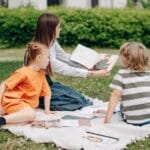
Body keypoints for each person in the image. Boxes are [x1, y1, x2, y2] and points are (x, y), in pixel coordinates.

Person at [29, 13, 110, 111]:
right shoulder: (41, 50)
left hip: (47, 83)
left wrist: (88, 65)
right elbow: (64, 69)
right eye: (58, 27)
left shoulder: (51, 41)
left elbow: (64, 57)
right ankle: (41, 101)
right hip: (37, 87)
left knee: (79, 97)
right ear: (50, 30)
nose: (60, 29)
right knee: (75, 102)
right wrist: (91, 73)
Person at [0, 42, 53, 126]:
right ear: (39, 58)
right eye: (48, 57)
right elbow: (4, 85)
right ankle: (2, 120)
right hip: (12, 101)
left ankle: (9, 119)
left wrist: (47, 110)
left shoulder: (41, 74)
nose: (49, 60)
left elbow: (47, 92)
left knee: (27, 120)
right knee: (31, 115)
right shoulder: (23, 72)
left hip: (24, 105)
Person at [104, 42, 150, 126]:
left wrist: (107, 121)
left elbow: (115, 96)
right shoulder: (148, 73)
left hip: (134, 121)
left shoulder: (122, 74)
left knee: (121, 104)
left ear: (127, 59)